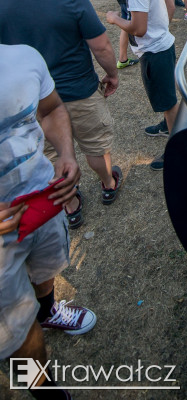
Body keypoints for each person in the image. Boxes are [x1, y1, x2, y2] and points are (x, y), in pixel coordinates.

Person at [0, 0, 122, 226]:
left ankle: (70, 202)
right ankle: (107, 184)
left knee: (52, 152)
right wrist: (112, 73)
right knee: (95, 145)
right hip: (77, 90)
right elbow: (101, 46)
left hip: (30, 101)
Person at [0, 44, 96, 399]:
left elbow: (52, 108)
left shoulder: (24, 56)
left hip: (43, 198)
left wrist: (67, 153)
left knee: (45, 271)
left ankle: (49, 311)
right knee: (18, 336)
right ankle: (45, 393)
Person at [106, 0, 179, 170]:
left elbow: (138, 29)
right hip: (164, 45)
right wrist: (162, 29)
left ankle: (177, 147)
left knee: (169, 102)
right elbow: (170, 7)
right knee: (167, 96)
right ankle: (167, 126)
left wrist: (114, 19)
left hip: (154, 52)